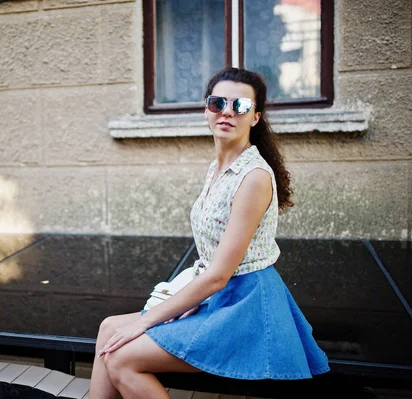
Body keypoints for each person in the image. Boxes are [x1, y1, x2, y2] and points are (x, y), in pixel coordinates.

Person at [88, 67, 330, 398]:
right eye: (218, 103)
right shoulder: (217, 169)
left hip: (244, 306)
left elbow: (219, 276)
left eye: (240, 106)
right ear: (207, 109)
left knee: (120, 357)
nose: (227, 111)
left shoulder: (254, 177)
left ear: (255, 117)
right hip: (217, 298)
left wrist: (148, 321)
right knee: (108, 328)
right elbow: (208, 266)